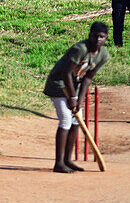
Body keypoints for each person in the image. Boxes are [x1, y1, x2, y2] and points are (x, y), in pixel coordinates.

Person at [43, 22, 110, 173]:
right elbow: (66, 73)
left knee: (76, 120)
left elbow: (87, 79)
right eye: (95, 36)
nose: (98, 39)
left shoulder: (103, 55)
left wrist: (79, 100)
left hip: (75, 86)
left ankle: (68, 160)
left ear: (106, 39)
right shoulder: (80, 49)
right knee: (66, 119)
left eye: (102, 37)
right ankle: (58, 163)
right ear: (90, 35)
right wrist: (72, 97)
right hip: (58, 84)